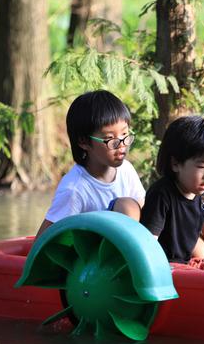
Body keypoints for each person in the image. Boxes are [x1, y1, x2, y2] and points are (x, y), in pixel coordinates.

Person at [35, 90, 145, 238]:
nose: (121, 145)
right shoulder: (74, 189)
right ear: (84, 142)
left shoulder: (126, 170)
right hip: (93, 254)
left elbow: (144, 210)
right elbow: (44, 240)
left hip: (125, 244)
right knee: (125, 206)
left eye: (125, 134)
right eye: (110, 138)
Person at [140, 116, 204, 270]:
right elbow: (150, 240)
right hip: (165, 266)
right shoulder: (162, 194)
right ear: (175, 164)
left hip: (189, 260)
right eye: (202, 166)